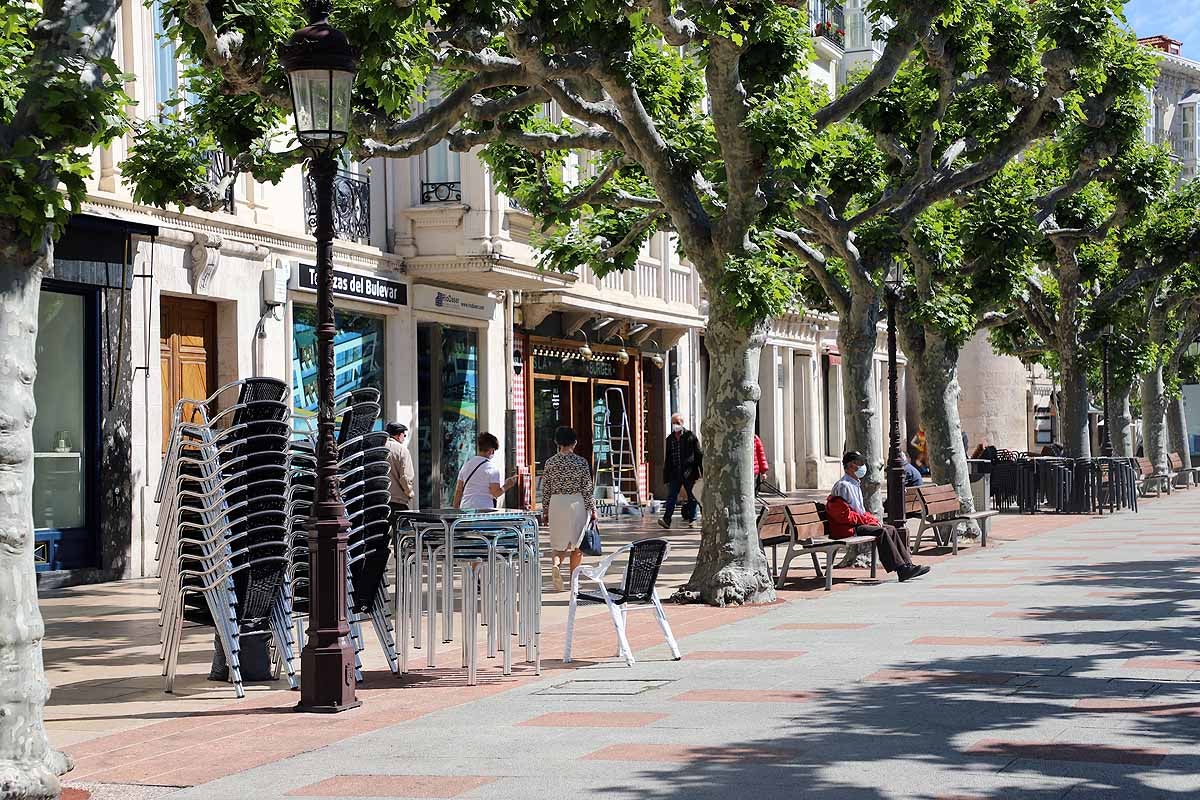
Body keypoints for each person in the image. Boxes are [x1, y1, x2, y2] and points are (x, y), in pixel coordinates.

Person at [825, 451, 930, 582]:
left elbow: (860, 512)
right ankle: (901, 569)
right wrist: (868, 520)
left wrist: (872, 520)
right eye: (859, 463)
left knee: (890, 529)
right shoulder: (843, 486)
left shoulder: (855, 483)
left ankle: (907, 564)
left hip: (857, 524)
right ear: (851, 466)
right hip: (848, 528)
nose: (863, 466)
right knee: (882, 532)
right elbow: (846, 516)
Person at [541, 426, 597, 592]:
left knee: (559, 544)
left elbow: (546, 489)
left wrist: (545, 510)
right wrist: (592, 509)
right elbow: (587, 488)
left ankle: (556, 565)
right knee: (577, 544)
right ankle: (574, 580)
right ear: (575, 442)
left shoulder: (550, 463)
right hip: (576, 503)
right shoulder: (581, 462)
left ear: (557, 442)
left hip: (556, 503)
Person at [453, 432, 518, 510]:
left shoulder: (466, 465)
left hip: (466, 508)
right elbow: (496, 493)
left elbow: (458, 490)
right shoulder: (492, 469)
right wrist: (507, 485)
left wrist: (455, 510)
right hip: (484, 509)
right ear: (491, 451)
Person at [659, 413, 702, 529]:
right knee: (671, 496)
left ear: (682, 423)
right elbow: (667, 458)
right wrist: (666, 475)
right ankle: (666, 519)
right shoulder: (670, 439)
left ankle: (693, 519)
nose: (675, 425)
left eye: (677, 423)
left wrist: (701, 472)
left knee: (692, 496)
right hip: (674, 473)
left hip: (689, 472)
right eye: (673, 423)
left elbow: (698, 454)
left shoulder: (690, 436)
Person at [385, 422, 415, 515]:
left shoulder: (378, 448)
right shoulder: (402, 450)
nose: (404, 438)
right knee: (403, 528)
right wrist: (409, 492)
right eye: (404, 435)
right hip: (397, 501)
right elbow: (405, 477)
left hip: (378, 500)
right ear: (399, 435)